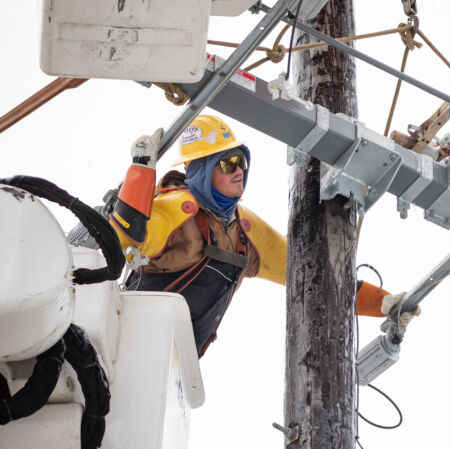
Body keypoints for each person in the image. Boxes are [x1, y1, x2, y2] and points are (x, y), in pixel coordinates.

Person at [109, 115, 418, 356]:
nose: (239, 171)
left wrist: (383, 303)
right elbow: (126, 240)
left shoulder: (244, 228)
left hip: (176, 358)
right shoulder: (176, 208)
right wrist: (140, 172)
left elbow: (308, 273)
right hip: (127, 341)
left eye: (241, 161)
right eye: (227, 163)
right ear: (201, 169)